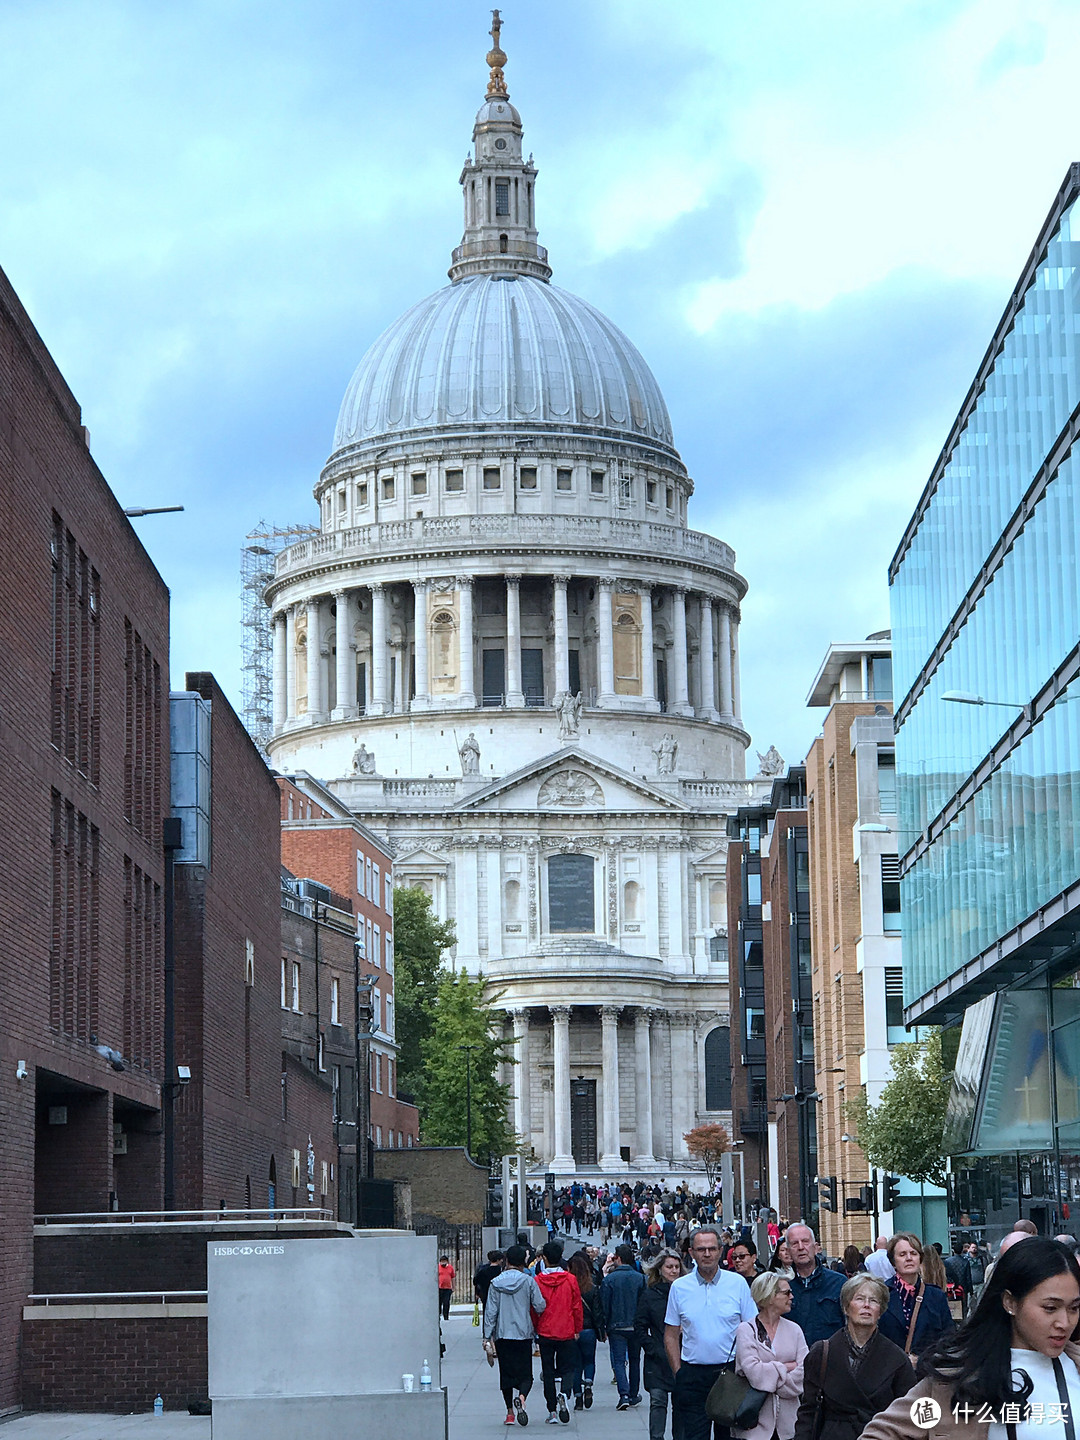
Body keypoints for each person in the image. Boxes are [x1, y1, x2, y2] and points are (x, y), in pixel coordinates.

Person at [856, 1238, 1080, 1440]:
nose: (1064, 1322)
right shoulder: (958, 1378)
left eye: (1074, 1308)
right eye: (1050, 1308)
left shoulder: (1073, 1367)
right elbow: (880, 1434)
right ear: (1010, 1302)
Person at [664, 1225, 757, 1440]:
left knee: (729, 1436)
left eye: (712, 1249)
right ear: (692, 1253)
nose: (707, 1254)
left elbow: (751, 1328)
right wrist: (679, 1371)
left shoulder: (737, 1284)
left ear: (721, 1251)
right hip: (692, 1375)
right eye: (701, 1249)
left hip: (730, 1375)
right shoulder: (679, 1287)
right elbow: (670, 1333)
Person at [793, 1274, 912, 1440]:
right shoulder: (822, 1352)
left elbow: (907, 1415)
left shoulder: (896, 1359)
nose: (866, 1305)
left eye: (874, 1301)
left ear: (881, 1311)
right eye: (859, 1299)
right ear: (846, 1307)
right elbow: (808, 1412)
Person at [731, 1271, 807, 1440]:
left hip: (789, 1426)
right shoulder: (746, 1329)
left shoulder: (795, 1330)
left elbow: (804, 1372)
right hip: (753, 1424)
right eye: (787, 1292)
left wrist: (769, 1377)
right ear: (770, 1296)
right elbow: (754, 1373)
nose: (792, 1296)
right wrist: (786, 1367)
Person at [484, 1243, 547, 1428]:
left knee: (506, 1375)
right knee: (526, 1375)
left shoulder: (495, 1283)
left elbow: (490, 1312)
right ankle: (521, 1397)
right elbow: (540, 1305)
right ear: (524, 1262)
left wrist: (487, 1336)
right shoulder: (528, 1281)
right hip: (523, 1333)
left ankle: (510, 1413)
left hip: (503, 1335)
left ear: (506, 1260)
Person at [877, 1232, 953, 1360]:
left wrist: (922, 1360)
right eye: (902, 1254)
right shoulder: (881, 1293)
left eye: (913, 1253)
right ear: (893, 1262)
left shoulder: (936, 1296)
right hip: (891, 1373)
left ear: (920, 1259)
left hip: (927, 1372)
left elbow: (948, 1338)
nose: (909, 1258)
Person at [636, 1249, 685, 1440]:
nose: (673, 1271)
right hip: (657, 1358)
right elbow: (639, 1325)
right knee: (658, 1401)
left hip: (684, 1356)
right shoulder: (650, 1295)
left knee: (681, 1404)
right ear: (660, 1269)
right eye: (669, 1267)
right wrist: (652, 1347)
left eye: (676, 1267)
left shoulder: (687, 1292)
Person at [532, 1240, 583, 1425]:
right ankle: (564, 1393)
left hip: (546, 1330)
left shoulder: (537, 1280)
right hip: (566, 1329)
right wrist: (577, 1328)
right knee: (568, 1367)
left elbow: (534, 1308)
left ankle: (552, 1410)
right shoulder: (570, 1279)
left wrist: (537, 1327)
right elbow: (577, 1306)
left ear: (544, 1258)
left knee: (548, 1371)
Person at [601, 1243, 646, 1410]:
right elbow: (644, 1304)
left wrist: (604, 1326)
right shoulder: (640, 1278)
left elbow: (605, 1305)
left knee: (619, 1361)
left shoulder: (609, 1279)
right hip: (635, 1325)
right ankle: (634, 1393)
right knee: (635, 1360)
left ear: (618, 1258)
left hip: (616, 1325)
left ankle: (624, 1394)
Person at [786, 1224, 846, 1347]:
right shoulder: (782, 1287)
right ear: (788, 1251)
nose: (801, 1247)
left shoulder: (839, 1283)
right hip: (793, 1362)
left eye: (805, 1241)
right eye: (794, 1244)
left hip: (831, 1359)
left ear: (816, 1247)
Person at [568, 1250, 605, 1411]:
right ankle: (588, 1383)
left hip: (573, 1330)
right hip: (589, 1329)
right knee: (589, 1360)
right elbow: (597, 1312)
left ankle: (577, 1397)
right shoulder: (592, 1288)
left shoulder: (568, 1287)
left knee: (576, 1364)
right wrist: (601, 1331)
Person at [438, 1254, 456, 1321]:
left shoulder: (450, 1268)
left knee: (446, 1303)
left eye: (444, 1261)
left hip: (447, 1288)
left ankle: (446, 1316)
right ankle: (439, 1315)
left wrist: (453, 1287)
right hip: (439, 1288)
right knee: (439, 1303)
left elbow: (453, 1277)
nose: (443, 1263)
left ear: (447, 1261)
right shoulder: (438, 1267)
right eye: (442, 1261)